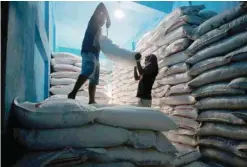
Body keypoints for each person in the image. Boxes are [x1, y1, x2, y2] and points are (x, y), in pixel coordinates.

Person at [68, 2, 111, 104]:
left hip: (95, 54)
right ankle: (73, 93)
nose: (104, 22)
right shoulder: (93, 22)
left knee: (95, 78)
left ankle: (91, 100)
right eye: (103, 19)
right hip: (88, 51)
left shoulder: (100, 30)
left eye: (105, 21)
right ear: (99, 17)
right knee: (89, 69)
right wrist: (109, 18)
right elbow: (101, 5)